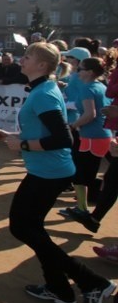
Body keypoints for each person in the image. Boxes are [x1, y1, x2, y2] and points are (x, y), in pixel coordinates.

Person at [0, 42, 115, 303]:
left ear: (43, 65)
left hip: (50, 173)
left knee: (23, 227)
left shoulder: (44, 93)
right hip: (45, 171)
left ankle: (92, 282)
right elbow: (47, 133)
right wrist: (15, 138)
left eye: (27, 57)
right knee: (31, 228)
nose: (21, 60)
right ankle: (59, 287)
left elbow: (62, 138)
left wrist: (23, 145)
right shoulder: (42, 90)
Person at [59, 58, 112, 228]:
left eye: (80, 69)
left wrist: (74, 125)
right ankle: (81, 207)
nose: (77, 72)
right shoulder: (101, 86)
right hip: (101, 135)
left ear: (89, 72)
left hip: (91, 137)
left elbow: (90, 114)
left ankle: (82, 208)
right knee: (86, 174)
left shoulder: (87, 88)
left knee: (81, 176)